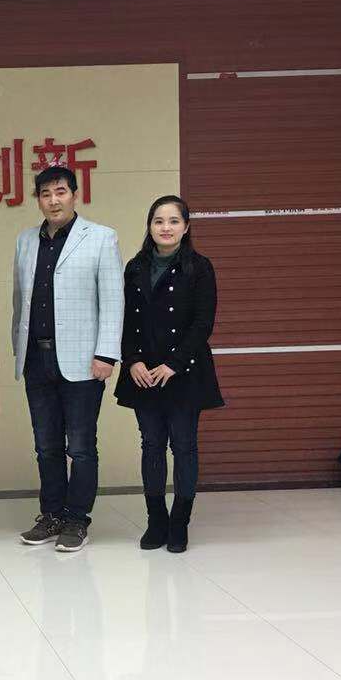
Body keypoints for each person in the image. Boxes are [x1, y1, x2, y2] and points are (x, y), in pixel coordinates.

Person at [11, 163, 123, 553]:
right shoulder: (26, 240)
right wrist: (19, 349)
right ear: (38, 200)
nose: (53, 200)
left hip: (84, 361)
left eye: (60, 192)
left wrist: (106, 354)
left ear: (75, 195)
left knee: (81, 446)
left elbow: (113, 300)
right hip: (36, 359)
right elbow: (20, 301)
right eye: (45, 194)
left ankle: (77, 519)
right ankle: (52, 514)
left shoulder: (101, 238)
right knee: (46, 446)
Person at [115, 195, 222, 554]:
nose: (165, 227)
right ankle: (156, 520)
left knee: (184, 445)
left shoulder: (199, 267)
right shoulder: (135, 267)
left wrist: (174, 364)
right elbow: (125, 320)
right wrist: (132, 361)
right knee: (151, 445)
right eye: (158, 221)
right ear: (149, 226)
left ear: (186, 227)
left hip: (184, 372)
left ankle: (180, 522)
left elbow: (203, 323)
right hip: (144, 372)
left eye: (174, 221)